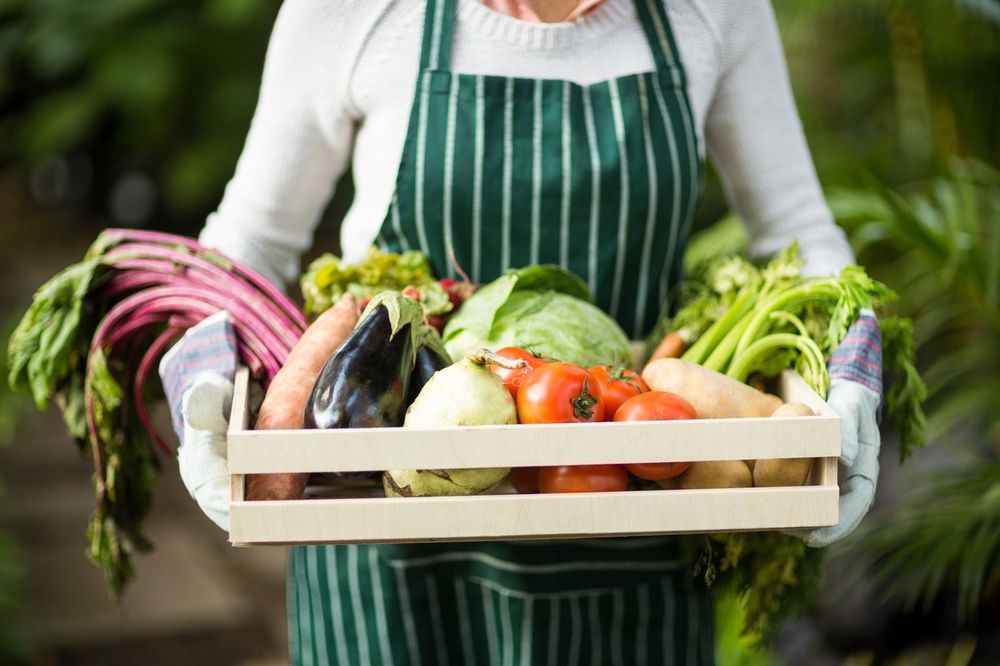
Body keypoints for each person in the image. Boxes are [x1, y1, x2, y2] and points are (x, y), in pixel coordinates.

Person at [161, 0, 884, 663]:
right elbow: (248, 240)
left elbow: (798, 235)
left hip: (627, 518)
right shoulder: (352, 11)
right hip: (382, 537)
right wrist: (203, 377)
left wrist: (851, 382)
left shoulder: (713, 11)